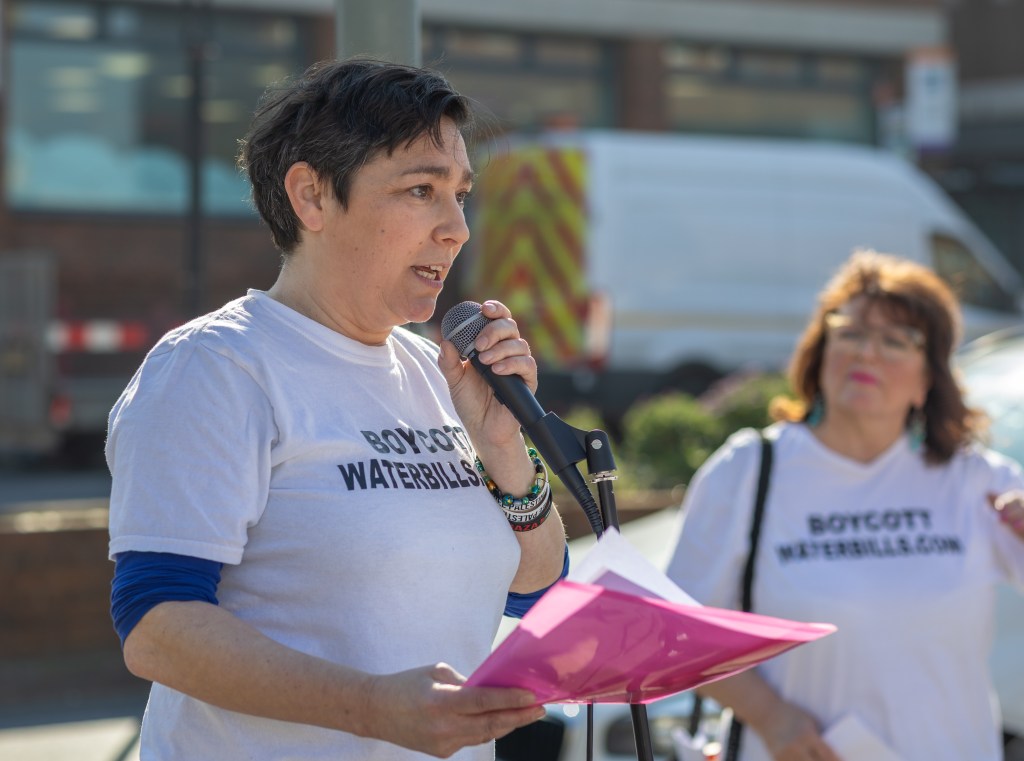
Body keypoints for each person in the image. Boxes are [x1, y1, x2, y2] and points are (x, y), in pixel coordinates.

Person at [106, 58, 568, 760]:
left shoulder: (437, 372)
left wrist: (506, 449)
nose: (457, 229)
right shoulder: (215, 367)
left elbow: (534, 592)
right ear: (312, 196)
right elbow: (158, 627)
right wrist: (374, 708)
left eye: (460, 195)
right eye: (421, 190)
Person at [666, 250, 1024, 761]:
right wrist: (770, 715)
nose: (867, 354)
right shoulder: (748, 470)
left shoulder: (976, 481)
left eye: (896, 341)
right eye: (850, 333)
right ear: (820, 353)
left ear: (927, 379)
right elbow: (678, 629)